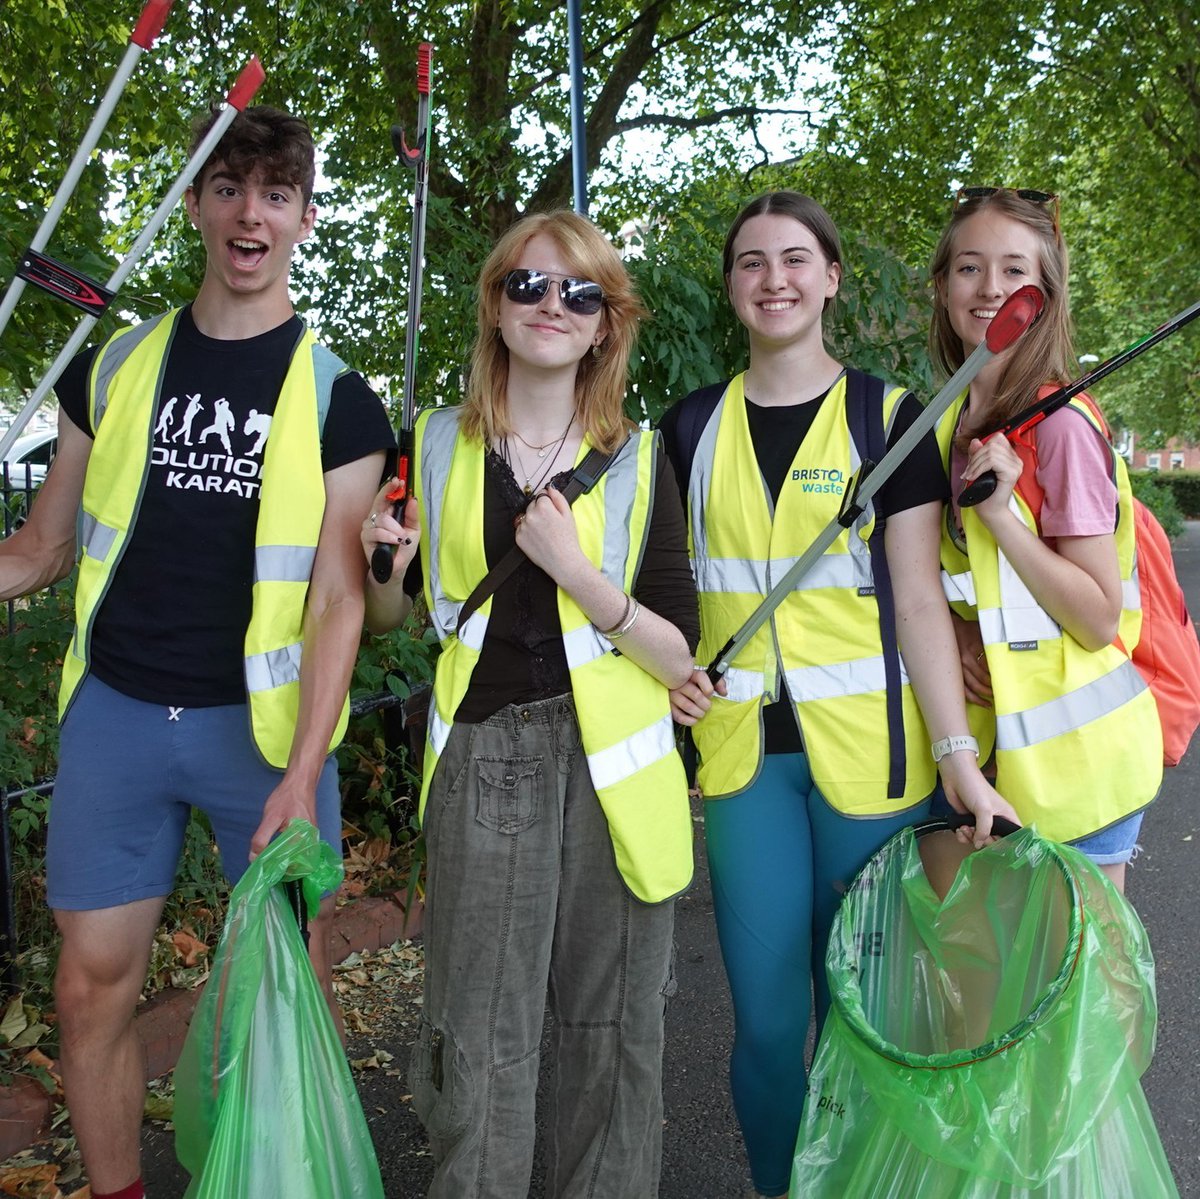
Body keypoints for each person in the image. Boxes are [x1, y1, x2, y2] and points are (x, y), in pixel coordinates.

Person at [0, 106, 394, 1199]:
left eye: (274, 193)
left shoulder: (341, 401)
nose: (248, 212)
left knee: (290, 995)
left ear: (305, 219)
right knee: (90, 987)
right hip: (120, 716)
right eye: (228, 187)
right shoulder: (117, 366)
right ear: (196, 207)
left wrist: (306, 770)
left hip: (262, 739)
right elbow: (35, 552)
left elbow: (337, 605)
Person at [660, 190, 1017, 1199]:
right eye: (751, 262)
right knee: (770, 1020)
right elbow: (669, 593)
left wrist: (958, 757)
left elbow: (915, 598)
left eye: (794, 258)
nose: (773, 278)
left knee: (862, 1011)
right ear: (731, 286)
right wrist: (669, 672)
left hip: (877, 761)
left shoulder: (891, 418)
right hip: (743, 763)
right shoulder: (688, 426)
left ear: (830, 277)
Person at [361, 209, 699, 1198]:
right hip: (486, 756)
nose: (554, 304)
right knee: (482, 1033)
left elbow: (676, 648)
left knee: (615, 1028)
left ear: (606, 324)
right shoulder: (429, 443)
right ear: (496, 305)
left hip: (619, 772)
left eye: (581, 291)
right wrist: (389, 565)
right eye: (530, 285)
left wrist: (579, 574)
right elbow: (393, 616)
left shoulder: (637, 460)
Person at [930, 186, 1163, 892]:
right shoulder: (950, 424)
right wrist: (962, 636)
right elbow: (954, 582)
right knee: (1007, 993)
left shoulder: (1058, 428)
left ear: (1045, 293)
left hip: (1083, 773)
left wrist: (1002, 516)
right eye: (969, 268)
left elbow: (1096, 618)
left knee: (1083, 1000)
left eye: (1013, 271)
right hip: (1000, 765)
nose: (990, 288)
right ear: (942, 287)